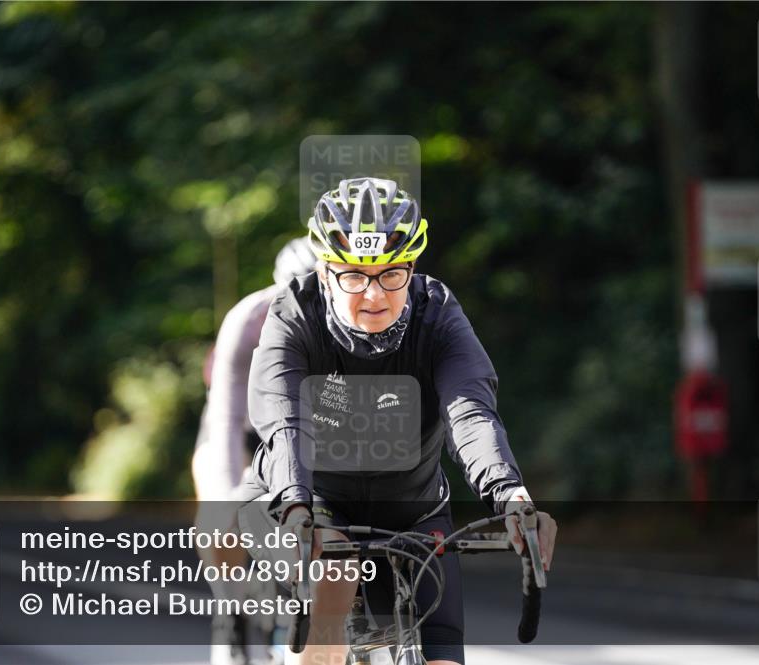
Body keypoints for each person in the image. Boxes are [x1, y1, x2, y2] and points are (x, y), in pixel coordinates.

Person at [242, 178, 558, 665]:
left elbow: (470, 414)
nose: (373, 294)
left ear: (411, 267)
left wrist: (510, 493)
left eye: (391, 274)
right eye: (352, 275)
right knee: (336, 576)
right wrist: (295, 507)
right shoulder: (293, 315)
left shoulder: (439, 315)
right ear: (325, 272)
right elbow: (285, 423)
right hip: (316, 502)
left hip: (415, 510)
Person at [192, 237, 317, 665]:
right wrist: (226, 500)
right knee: (218, 520)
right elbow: (225, 419)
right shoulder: (246, 321)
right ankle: (229, 609)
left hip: (305, 432)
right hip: (241, 432)